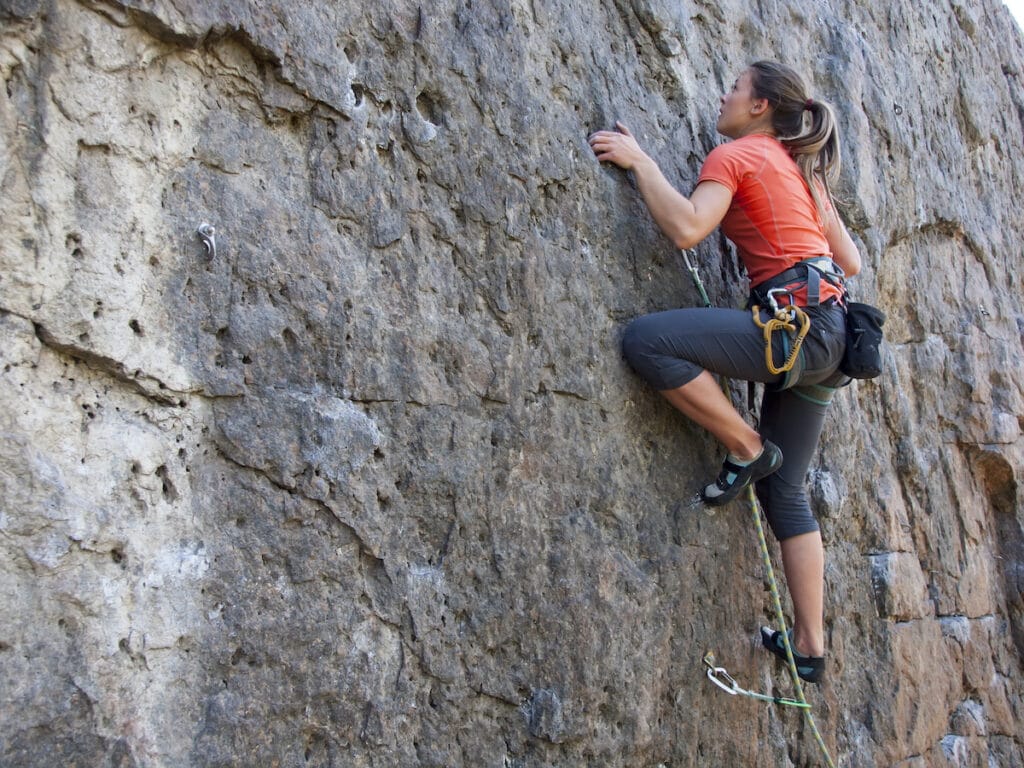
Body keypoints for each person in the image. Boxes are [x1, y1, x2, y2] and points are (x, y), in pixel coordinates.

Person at [588, 60, 863, 683]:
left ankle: (745, 445)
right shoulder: (799, 170)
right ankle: (810, 647)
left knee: (647, 342)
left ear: (760, 107)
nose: (724, 94)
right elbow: (848, 258)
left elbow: (688, 227)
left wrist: (641, 163)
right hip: (831, 335)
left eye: (735, 87)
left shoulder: (737, 155)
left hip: (795, 331)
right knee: (787, 491)